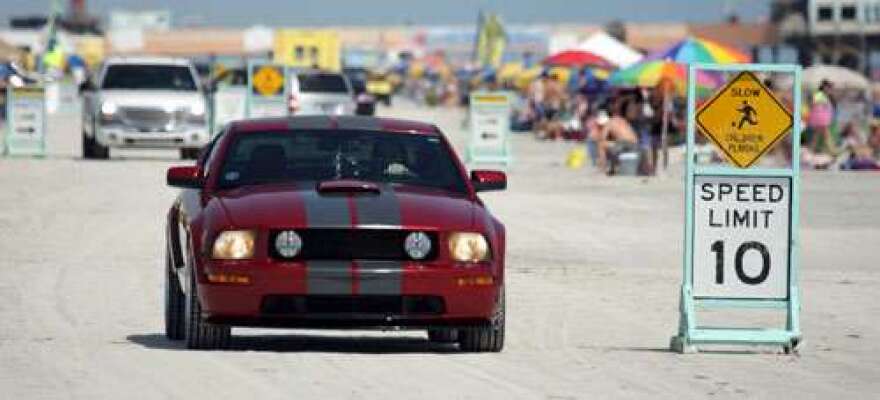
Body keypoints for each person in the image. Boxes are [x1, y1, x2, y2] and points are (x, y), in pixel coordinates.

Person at [595, 99, 640, 175]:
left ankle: (603, 168)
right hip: (635, 143)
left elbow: (602, 138)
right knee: (614, 147)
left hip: (624, 143)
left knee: (601, 145)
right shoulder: (621, 119)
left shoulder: (609, 122)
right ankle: (613, 168)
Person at [808, 79, 838, 155]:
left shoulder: (824, 95)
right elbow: (813, 104)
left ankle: (811, 150)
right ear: (824, 87)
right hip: (820, 118)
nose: (830, 89)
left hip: (821, 118)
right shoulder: (819, 95)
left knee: (817, 135)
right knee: (825, 135)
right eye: (829, 87)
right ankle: (832, 150)